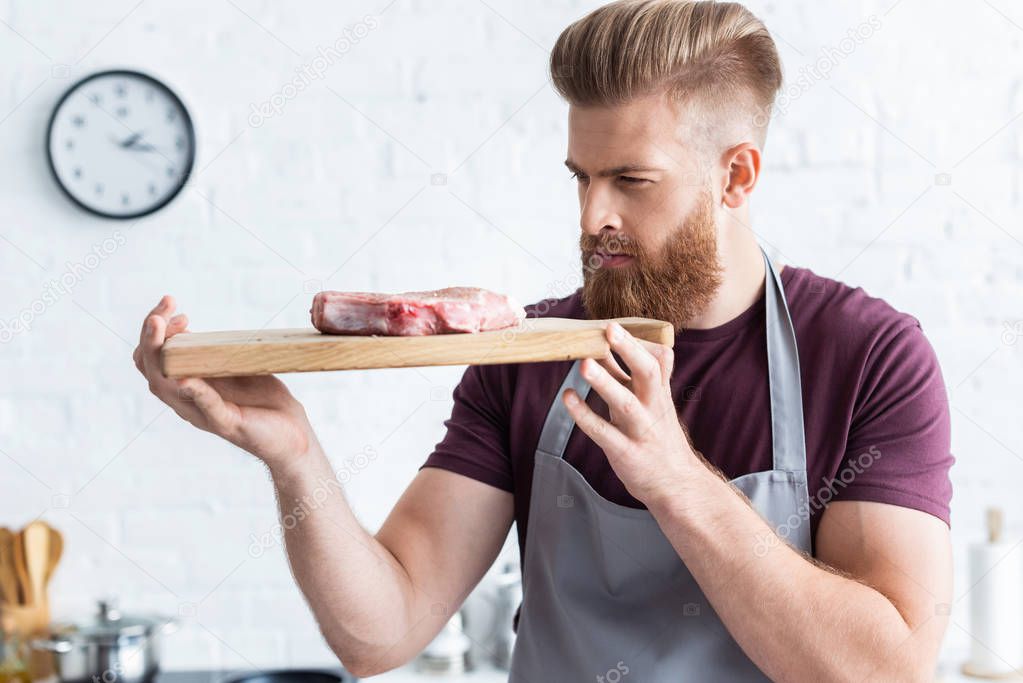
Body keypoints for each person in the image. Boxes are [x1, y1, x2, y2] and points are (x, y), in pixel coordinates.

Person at [133, 1, 954, 679]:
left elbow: (884, 669)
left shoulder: (867, 357)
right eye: (580, 177)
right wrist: (293, 454)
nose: (592, 216)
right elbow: (378, 632)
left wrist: (673, 478)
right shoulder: (524, 353)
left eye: (630, 181)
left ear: (735, 175)